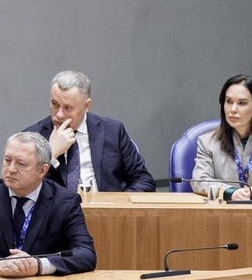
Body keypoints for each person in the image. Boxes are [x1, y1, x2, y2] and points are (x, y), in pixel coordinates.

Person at [0, 131, 97, 276]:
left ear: (42, 170)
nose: (11, 169)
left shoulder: (65, 202)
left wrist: (39, 265)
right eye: (8, 160)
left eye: (21, 164)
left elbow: (85, 254)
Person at [25, 70, 155, 192]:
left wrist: (117, 206)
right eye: (55, 104)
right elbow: (23, 188)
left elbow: (143, 180)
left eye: (68, 107)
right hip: (57, 215)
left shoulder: (113, 131)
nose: (59, 115)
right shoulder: (32, 137)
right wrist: (51, 155)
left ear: (86, 106)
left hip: (105, 212)